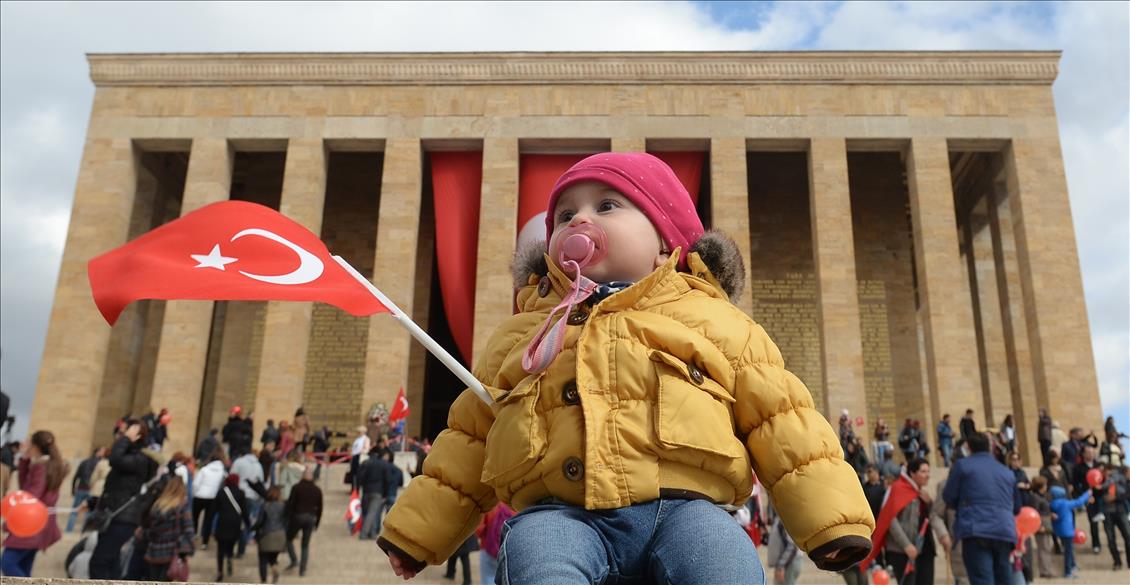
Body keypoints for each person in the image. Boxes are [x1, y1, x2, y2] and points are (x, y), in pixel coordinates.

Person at [378, 153, 875, 582]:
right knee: (534, 557)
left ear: (665, 240)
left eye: (607, 205)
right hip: (563, 514)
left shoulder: (713, 320)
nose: (578, 221)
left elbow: (784, 421)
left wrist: (833, 522)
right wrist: (417, 534)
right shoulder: (522, 336)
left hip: (687, 508)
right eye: (566, 214)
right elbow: (469, 442)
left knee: (723, 561)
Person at [943, 431, 1020, 585]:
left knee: (982, 579)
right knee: (1004, 578)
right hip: (1004, 529)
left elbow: (949, 496)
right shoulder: (1007, 472)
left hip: (976, 528)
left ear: (969, 448)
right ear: (990, 447)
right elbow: (1017, 507)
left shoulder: (963, 466)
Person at [89, 419, 159, 579]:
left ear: (135, 436)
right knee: (112, 564)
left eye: (124, 434)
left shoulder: (140, 458)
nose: (118, 437)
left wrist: (126, 439)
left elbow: (115, 460)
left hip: (122, 518)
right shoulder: (132, 455)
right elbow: (118, 486)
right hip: (113, 515)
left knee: (98, 563)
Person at [1, 430, 68, 576]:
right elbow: (25, 486)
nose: (27, 447)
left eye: (30, 444)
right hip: (41, 522)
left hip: (31, 523)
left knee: (8, 563)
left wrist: (10, 524)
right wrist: (25, 460)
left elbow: (31, 496)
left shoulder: (41, 467)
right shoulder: (48, 464)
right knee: (24, 566)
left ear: (36, 447)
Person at [862, 458, 936, 585]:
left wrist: (929, 503)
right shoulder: (898, 489)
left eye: (928, 471)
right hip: (901, 551)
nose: (927, 475)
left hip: (922, 549)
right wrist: (906, 545)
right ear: (912, 473)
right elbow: (891, 520)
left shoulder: (921, 493)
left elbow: (928, 518)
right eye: (923, 471)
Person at [141, 476, 195, 581]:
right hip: (172, 553)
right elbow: (188, 530)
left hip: (154, 553)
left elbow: (151, 531)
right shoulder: (182, 505)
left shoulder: (158, 505)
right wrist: (187, 550)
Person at [284, 466, 322, 576]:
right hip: (311, 518)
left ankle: (294, 559)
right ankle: (302, 569)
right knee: (305, 545)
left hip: (297, 516)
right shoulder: (317, 490)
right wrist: (317, 523)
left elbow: (290, 504)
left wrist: (287, 518)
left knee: (288, 539)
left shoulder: (296, 487)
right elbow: (320, 508)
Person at [1050, 485, 1093, 578]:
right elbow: (1079, 502)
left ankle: (1073, 565)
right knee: (1068, 551)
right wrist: (1087, 494)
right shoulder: (1065, 504)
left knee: (1068, 548)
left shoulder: (1053, 503)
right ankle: (1068, 572)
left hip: (1059, 530)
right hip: (1067, 530)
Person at [214, 473, 250, 582]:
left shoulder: (221, 492)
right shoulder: (241, 493)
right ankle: (229, 557)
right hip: (235, 522)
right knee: (231, 543)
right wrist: (248, 524)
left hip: (223, 522)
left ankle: (220, 572)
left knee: (220, 548)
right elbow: (244, 510)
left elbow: (213, 509)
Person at [231, 447, 265, 557]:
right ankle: (243, 545)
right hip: (253, 496)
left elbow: (232, 476)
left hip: (239, 494)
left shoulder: (239, 462)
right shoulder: (258, 465)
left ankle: (234, 543)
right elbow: (260, 481)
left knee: (236, 519)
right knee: (248, 521)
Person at [193, 448, 227, 551]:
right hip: (213, 498)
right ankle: (205, 542)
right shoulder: (223, 472)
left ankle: (193, 535)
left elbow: (196, 484)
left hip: (200, 496)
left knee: (195, 517)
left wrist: (195, 493)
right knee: (208, 520)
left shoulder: (204, 469)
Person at [1098, 464, 1130, 570]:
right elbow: (1095, 494)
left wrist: (1115, 497)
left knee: (1128, 536)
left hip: (1120, 510)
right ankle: (1117, 562)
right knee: (1111, 539)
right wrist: (1103, 496)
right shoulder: (1099, 481)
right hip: (1107, 513)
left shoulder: (1123, 481)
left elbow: (1127, 493)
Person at [357, 444, 393, 540]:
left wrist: (360, 488)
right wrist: (385, 494)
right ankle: (363, 534)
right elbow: (387, 480)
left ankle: (372, 533)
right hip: (378, 491)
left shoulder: (365, 463)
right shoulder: (383, 464)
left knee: (367, 512)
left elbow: (360, 477)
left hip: (366, 491)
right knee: (372, 513)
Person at [1072, 444, 1103, 553]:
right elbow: (1075, 485)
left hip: (1102, 497)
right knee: (1093, 522)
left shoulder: (1099, 465)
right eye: (1088, 452)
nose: (1091, 454)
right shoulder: (1078, 468)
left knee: (1108, 522)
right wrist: (1084, 497)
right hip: (1089, 498)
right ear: (1083, 454)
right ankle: (1096, 544)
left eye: (1092, 452)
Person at [254, 486, 287, 583]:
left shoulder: (265, 505)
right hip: (280, 535)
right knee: (273, 558)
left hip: (267, 534)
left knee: (263, 560)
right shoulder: (283, 506)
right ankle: (274, 568)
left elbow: (260, 522)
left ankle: (263, 581)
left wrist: (253, 528)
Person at [68, 446, 105, 532]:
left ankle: (69, 530)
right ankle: (84, 531)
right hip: (91, 490)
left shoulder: (84, 462)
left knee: (74, 511)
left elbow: (76, 476)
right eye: (102, 451)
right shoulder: (100, 463)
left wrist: (73, 489)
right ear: (98, 452)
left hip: (80, 488)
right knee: (88, 512)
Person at [476, 503, 515, 585]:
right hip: (508, 552)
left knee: (488, 578)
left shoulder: (491, 506)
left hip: (487, 550)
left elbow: (479, 530)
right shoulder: (515, 508)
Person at [767, 505, 803, 585]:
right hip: (786, 563)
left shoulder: (784, 520)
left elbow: (792, 546)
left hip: (788, 564)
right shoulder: (780, 519)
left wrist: (780, 566)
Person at [1028, 476, 1054, 579]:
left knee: (1046, 547)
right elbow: (1035, 512)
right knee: (1043, 548)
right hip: (1041, 524)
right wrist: (1038, 526)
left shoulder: (1043, 496)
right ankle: (1044, 571)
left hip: (1046, 522)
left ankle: (1047, 569)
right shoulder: (1035, 497)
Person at [349, 425, 370, 490]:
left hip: (360, 457)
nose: (358, 433)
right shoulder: (357, 439)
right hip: (354, 457)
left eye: (359, 432)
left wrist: (361, 452)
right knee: (353, 474)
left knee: (358, 474)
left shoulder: (366, 439)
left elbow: (366, 449)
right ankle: (353, 488)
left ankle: (357, 488)